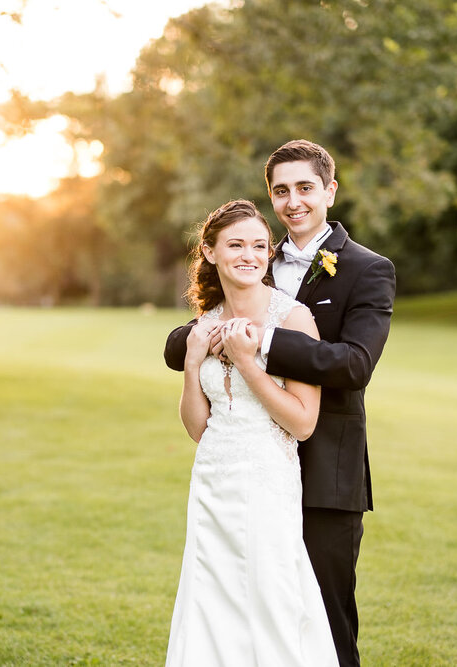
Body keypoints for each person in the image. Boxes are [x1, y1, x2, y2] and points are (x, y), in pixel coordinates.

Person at [164, 140, 395, 667]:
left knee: (321, 621)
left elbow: (355, 364)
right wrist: (200, 340)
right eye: (281, 190)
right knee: (235, 610)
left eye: (306, 188)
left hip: (326, 472)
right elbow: (188, 338)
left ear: (330, 191)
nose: (294, 201)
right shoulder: (256, 254)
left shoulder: (367, 269)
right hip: (243, 466)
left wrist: (259, 345)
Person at [165, 199, 338, 667]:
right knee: (210, 594)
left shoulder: (294, 318)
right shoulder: (203, 324)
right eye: (236, 244)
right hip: (212, 477)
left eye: (260, 245)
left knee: (270, 591)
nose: (250, 255)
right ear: (210, 251)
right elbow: (199, 427)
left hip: (267, 477)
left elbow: (303, 423)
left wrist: (246, 361)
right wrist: (192, 362)